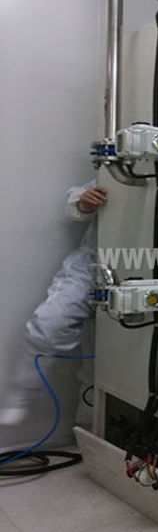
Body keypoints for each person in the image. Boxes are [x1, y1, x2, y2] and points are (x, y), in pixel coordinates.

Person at [0, 181, 107, 450]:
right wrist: (84, 202)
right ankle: (24, 390)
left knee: (104, 355)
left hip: (142, 262)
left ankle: (90, 435)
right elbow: (75, 201)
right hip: (92, 264)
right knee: (50, 323)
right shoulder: (116, 168)